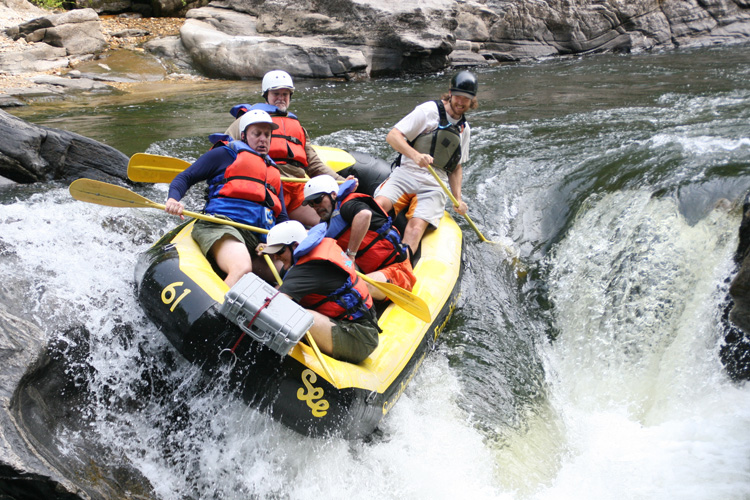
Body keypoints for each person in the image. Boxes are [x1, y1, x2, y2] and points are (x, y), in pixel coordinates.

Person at [165, 109, 288, 288]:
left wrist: (278, 245)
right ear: (244, 135)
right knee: (242, 267)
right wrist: (173, 199)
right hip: (222, 226)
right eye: (257, 134)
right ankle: (217, 311)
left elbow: (282, 217)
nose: (263, 139)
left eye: (267, 135)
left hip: (257, 242)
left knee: (287, 275)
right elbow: (185, 177)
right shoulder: (224, 154)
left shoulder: (273, 171)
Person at [223, 70, 346, 227]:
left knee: (332, 225)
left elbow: (314, 165)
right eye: (276, 94)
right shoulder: (248, 120)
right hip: (266, 188)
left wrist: (342, 182)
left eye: (285, 94)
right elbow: (224, 150)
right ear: (266, 95)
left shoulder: (297, 126)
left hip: (297, 192)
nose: (281, 98)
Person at [374, 70, 478, 255]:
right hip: (406, 173)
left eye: (466, 99)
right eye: (458, 96)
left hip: (434, 185)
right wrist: (415, 156)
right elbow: (393, 136)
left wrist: (458, 198)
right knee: (379, 205)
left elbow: (456, 167)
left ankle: (400, 267)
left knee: (415, 228)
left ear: (472, 101)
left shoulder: (464, 129)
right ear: (450, 93)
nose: (461, 102)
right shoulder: (429, 111)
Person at [261, 221, 380, 364]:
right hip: (361, 324)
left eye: (279, 252)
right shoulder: (319, 249)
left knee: (298, 315)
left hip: (359, 338)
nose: (276, 257)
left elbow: (274, 307)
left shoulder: (307, 269)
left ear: (296, 246)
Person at [302, 175, 415, 300]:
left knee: (357, 288)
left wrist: (351, 255)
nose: (316, 207)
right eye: (311, 204)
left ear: (333, 194)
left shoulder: (349, 205)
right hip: (370, 272)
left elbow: (364, 215)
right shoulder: (327, 225)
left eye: (318, 200)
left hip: (396, 269)